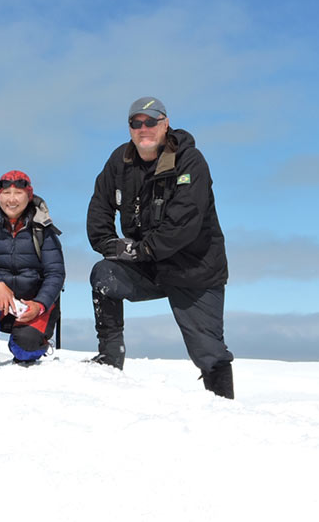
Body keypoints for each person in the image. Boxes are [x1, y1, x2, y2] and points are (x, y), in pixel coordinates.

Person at [87, 96, 234, 398]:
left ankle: (224, 410)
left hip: (194, 269)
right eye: (136, 123)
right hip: (148, 266)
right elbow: (99, 207)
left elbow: (184, 223)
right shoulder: (120, 161)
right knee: (105, 275)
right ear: (129, 129)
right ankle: (109, 361)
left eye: (151, 121)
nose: (144, 128)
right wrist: (111, 246)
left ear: (165, 124)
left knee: (209, 352)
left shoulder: (190, 162)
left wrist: (141, 251)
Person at [0, 171, 65, 365]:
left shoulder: (43, 228)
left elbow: (56, 273)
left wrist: (40, 305)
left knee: (26, 348)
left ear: (29, 195)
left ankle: (33, 341)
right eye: (6, 193)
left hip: (33, 301)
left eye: (18, 193)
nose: (12, 199)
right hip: (0, 298)